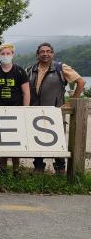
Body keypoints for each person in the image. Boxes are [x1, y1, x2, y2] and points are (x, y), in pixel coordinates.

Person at [27, 42, 85, 174]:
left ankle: (60, 169)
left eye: (48, 51)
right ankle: (38, 167)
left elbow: (81, 82)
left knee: (57, 140)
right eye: (42, 51)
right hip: (35, 112)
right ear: (38, 54)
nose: (45, 54)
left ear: (52, 54)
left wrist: (72, 101)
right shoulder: (30, 70)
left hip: (55, 112)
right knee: (37, 138)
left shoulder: (61, 67)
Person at [0, 43, 30, 174]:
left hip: (16, 111)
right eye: (3, 54)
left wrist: (25, 110)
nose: (5, 56)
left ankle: (16, 168)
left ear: (12, 54)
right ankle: (3, 167)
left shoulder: (20, 71)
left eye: (8, 53)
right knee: (2, 141)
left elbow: (26, 92)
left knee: (15, 141)